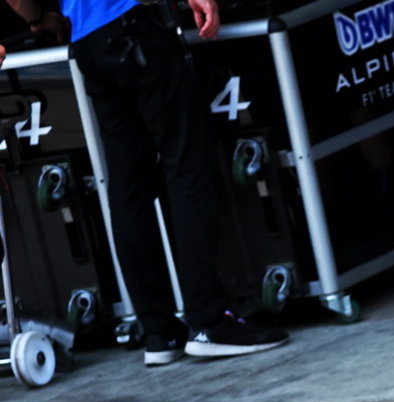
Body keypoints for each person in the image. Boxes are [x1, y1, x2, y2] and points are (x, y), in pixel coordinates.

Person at [17, 0, 288, 365]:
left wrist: (39, 17)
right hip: (136, 26)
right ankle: (209, 321)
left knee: (129, 185)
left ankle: (159, 332)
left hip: (90, 41)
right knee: (187, 166)